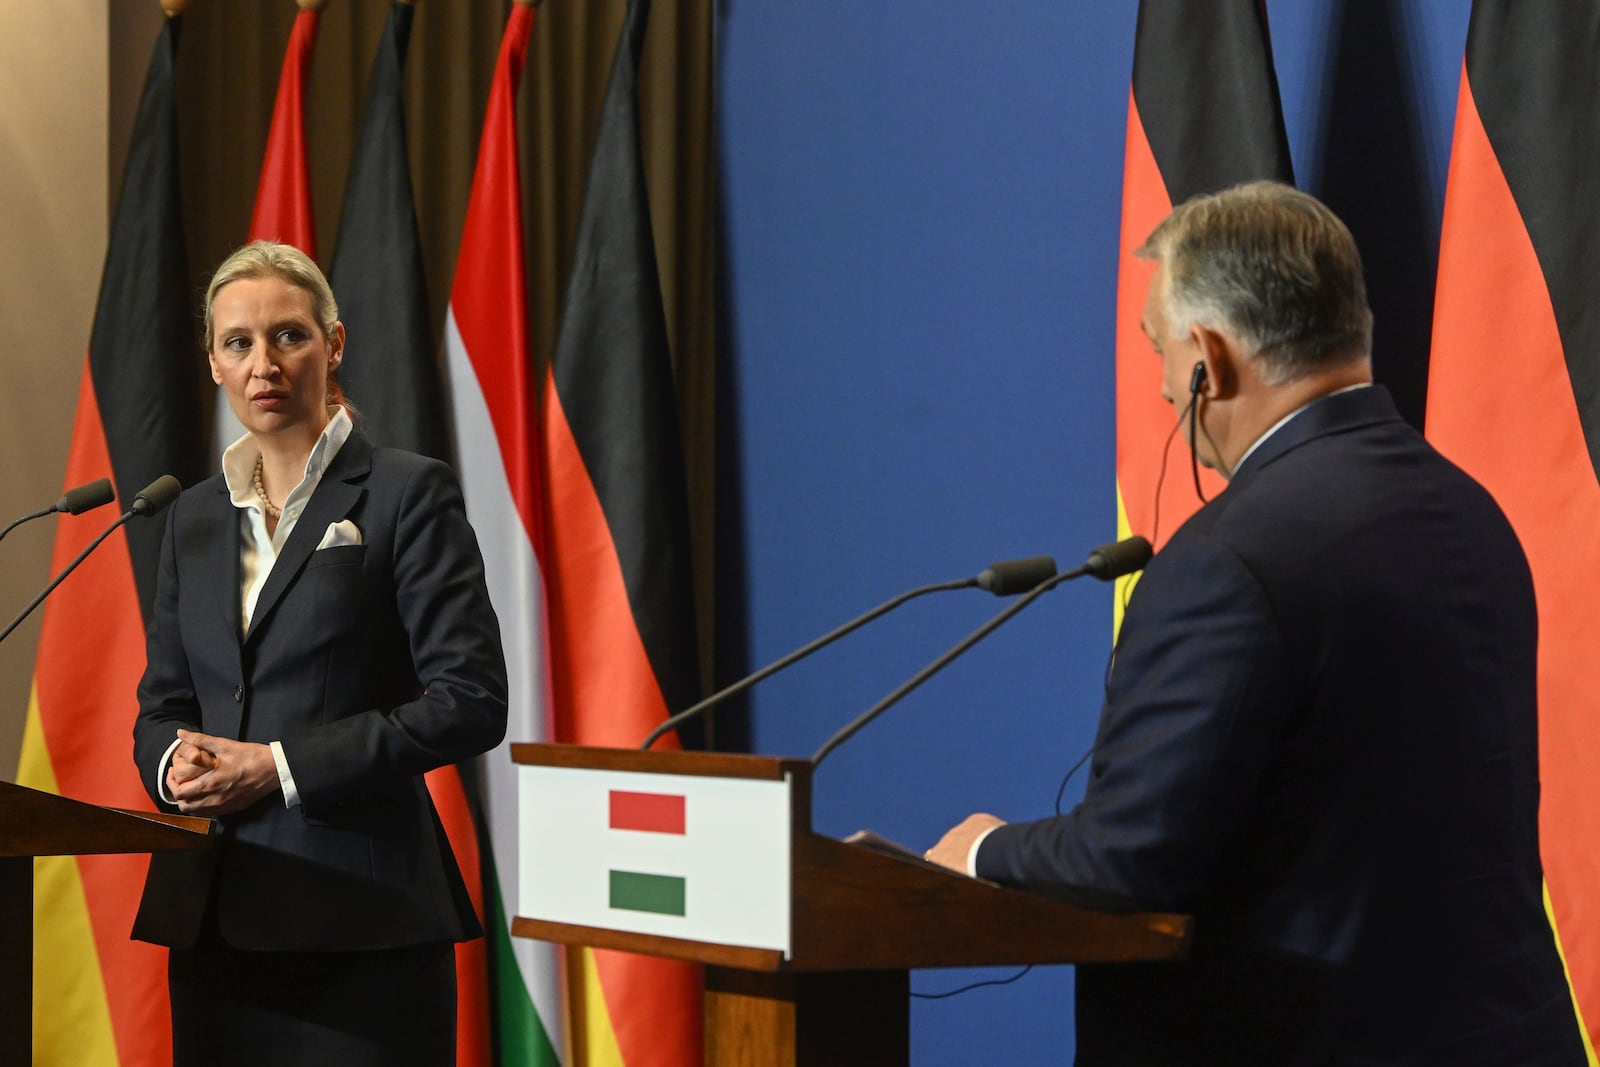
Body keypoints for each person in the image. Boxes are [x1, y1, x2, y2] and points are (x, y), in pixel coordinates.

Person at [927, 182, 1585, 1065]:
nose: (1163, 389)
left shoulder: (1226, 558)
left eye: (1160, 352)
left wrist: (984, 851)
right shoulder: (1469, 509)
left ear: (1208, 356)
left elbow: (1131, 858)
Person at [131, 241, 508, 1066]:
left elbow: (471, 700)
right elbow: (161, 701)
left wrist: (277, 765)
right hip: (214, 927)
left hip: (361, 931)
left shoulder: (409, 492)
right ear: (214, 364)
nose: (263, 362)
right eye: (238, 343)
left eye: (288, 336)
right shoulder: (190, 520)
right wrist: (171, 761)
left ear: (332, 345)